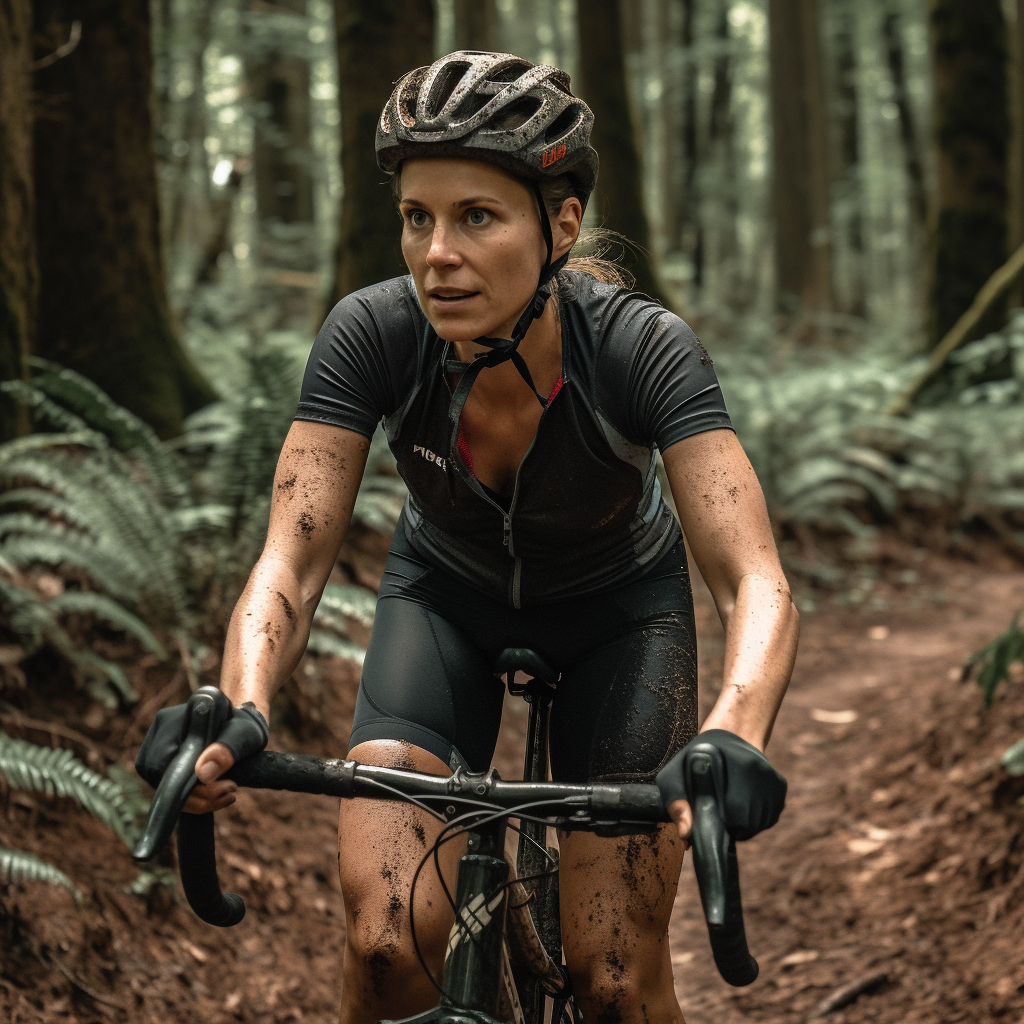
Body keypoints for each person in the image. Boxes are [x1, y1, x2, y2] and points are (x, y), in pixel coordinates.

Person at [137, 51, 797, 1023]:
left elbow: (754, 582)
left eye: (476, 217)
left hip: (622, 615)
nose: (435, 253)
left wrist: (732, 733)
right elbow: (292, 557)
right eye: (417, 218)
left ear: (559, 224)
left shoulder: (639, 349)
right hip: (443, 603)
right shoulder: (373, 335)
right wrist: (241, 703)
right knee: (383, 943)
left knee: (614, 978)